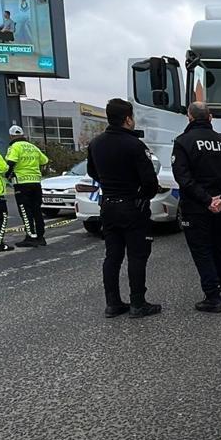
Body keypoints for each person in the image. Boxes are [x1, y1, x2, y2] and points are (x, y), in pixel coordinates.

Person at [87, 99, 162, 318]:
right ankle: (138, 303)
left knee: (113, 256)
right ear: (128, 119)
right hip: (132, 206)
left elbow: (93, 173)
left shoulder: (96, 143)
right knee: (137, 256)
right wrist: (143, 195)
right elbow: (149, 180)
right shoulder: (135, 145)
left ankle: (113, 303)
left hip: (108, 205)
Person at [172, 101, 221, 313]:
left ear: (190, 117)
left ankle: (212, 297)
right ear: (210, 117)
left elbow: (183, 178)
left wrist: (206, 200)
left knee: (202, 251)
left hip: (196, 209)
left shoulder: (183, 142)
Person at [4, 125, 50, 248]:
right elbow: (44, 160)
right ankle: (40, 237)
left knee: (25, 211)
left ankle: (31, 237)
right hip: (36, 183)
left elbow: (11, 162)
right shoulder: (33, 147)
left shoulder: (14, 147)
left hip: (22, 184)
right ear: (23, 135)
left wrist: (6, 175)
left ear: (11, 136)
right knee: (37, 211)